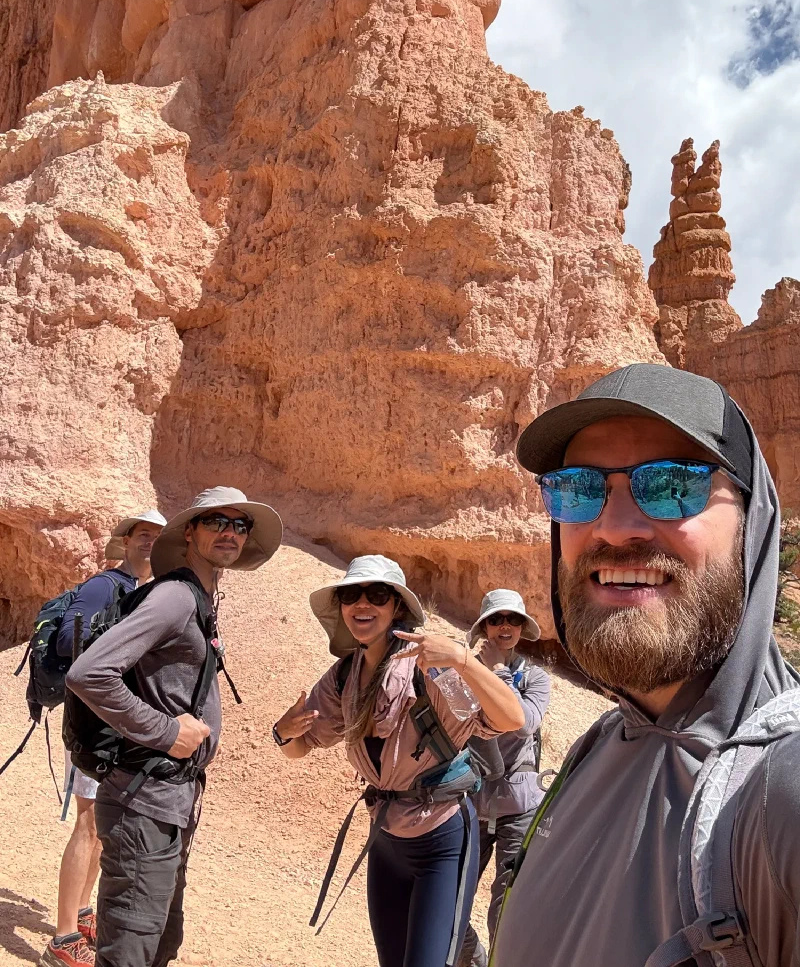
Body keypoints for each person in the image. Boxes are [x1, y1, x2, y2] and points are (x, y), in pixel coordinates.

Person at [491, 364, 800, 967]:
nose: (615, 527)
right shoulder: (598, 747)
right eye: (578, 489)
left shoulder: (781, 788)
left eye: (671, 484)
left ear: (753, 523)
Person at [65, 487, 282, 967]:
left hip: (170, 801)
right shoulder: (174, 598)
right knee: (130, 950)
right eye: (216, 522)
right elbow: (88, 674)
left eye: (239, 525)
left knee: (161, 941)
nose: (230, 532)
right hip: (143, 800)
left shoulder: (200, 599)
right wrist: (166, 732)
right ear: (190, 532)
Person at [273, 555, 525, 967]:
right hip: (386, 842)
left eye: (377, 595)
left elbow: (509, 718)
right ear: (340, 607)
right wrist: (281, 733)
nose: (362, 604)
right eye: (351, 595)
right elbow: (300, 748)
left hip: (442, 840)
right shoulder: (343, 676)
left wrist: (461, 659)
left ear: (397, 608)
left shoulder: (431, 665)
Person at [42, 510, 167, 967]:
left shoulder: (147, 592)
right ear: (127, 540)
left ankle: (82, 910)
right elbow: (67, 648)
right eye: (143, 534)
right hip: (95, 726)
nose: (150, 542)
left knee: (104, 828)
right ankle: (62, 938)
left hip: (122, 729)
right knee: (89, 824)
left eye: (159, 536)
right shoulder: (103, 587)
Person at [456, 590, 550, 967]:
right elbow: (453, 719)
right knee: (450, 903)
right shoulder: (463, 669)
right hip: (469, 803)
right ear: (485, 628)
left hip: (519, 806)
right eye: (496, 620)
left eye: (512, 619)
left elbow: (525, 722)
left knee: (506, 911)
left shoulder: (537, 677)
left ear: (522, 627)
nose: (504, 626)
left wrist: (495, 675)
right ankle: (477, 961)